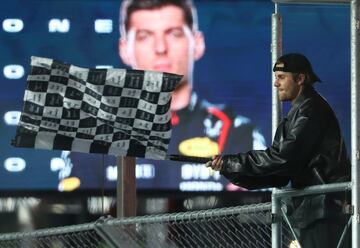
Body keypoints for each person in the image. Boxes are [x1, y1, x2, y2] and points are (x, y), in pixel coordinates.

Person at [60, 0, 266, 192]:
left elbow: (252, 216)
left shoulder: (239, 132)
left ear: (197, 43)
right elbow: (75, 220)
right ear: (125, 49)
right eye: (144, 36)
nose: (160, 48)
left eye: (173, 33)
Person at [206, 53, 351, 247]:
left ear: (301, 79)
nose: (276, 83)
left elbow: (283, 158)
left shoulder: (311, 109)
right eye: (276, 77)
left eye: (281, 77)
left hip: (324, 211)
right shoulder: (300, 111)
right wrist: (228, 169)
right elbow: (279, 174)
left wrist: (231, 162)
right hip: (316, 211)